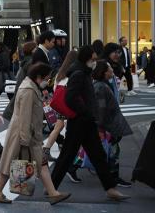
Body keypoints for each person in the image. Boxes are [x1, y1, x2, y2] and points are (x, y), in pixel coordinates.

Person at [50, 45, 129, 201]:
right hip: (80, 121)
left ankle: (110, 188)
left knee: (97, 155)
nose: (95, 62)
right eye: (93, 59)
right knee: (69, 155)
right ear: (86, 59)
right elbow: (70, 98)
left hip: (85, 122)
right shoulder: (79, 74)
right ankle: (51, 188)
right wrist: (85, 111)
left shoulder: (83, 72)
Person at [0, 63, 70, 205]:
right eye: (47, 78)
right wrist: (25, 140)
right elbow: (25, 116)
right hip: (24, 135)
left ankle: (53, 193)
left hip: (29, 134)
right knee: (11, 162)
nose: (48, 81)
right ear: (38, 77)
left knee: (40, 163)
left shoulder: (32, 87)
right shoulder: (28, 90)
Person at [92, 60, 133, 188]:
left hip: (109, 124)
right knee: (112, 151)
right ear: (104, 72)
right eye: (109, 69)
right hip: (108, 126)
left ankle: (111, 176)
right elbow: (101, 109)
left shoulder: (104, 84)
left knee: (110, 151)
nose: (112, 70)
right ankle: (113, 178)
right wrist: (101, 128)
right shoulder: (101, 87)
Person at [42, 50, 78, 162]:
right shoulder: (73, 73)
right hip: (69, 104)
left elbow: (54, 88)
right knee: (69, 128)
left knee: (59, 126)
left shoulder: (60, 73)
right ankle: (70, 153)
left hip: (59, 104)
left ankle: (46, 149)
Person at [3, 41, 38, 121]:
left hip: (21, 89)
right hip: (25, 90)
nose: (37, 50)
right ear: (31, 50)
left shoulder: (27, 60)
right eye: (35, 48)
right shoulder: (30, 61)